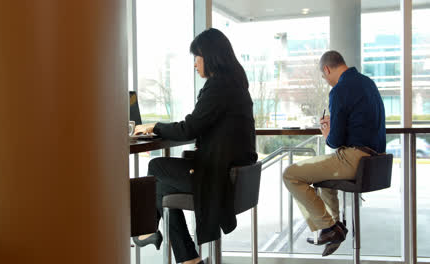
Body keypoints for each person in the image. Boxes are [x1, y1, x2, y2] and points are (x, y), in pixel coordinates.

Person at [132, 28, 258, 264]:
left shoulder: (219, 86)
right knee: (162, 186)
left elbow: (189, 128)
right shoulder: (235, 84)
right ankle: (186, 258)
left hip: (220, 177)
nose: (194, 65)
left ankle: (150, 230)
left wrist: (153, 127)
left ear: (210, 56)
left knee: (157, 168)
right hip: (233, 173)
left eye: (196, 58)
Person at [282, 50, 386, 257]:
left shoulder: (339, 90)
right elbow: (361, 126)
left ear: (327, 69)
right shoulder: (368, 82)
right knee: (322, 172)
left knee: (291, 174)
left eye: (324, 76)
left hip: (355, 159)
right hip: (375, 159)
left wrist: (328, 132)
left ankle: (330, 229)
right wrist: (338, 126)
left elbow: (335, 141)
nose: (326, 80)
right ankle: (332, 225)